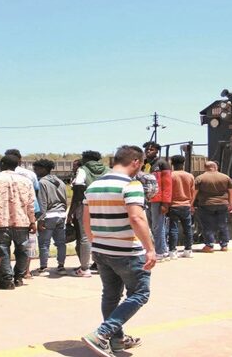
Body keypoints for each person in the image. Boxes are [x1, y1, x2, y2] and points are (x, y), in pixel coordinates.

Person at [81, 145, 156, 357]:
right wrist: (150, 249)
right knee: (140, 293)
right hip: (128, 251)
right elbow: (136, 218)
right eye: (141, 165)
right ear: (135, 162)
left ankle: (116, 341)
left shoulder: (94, 186)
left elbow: (87, 221)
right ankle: (102, 334)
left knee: (111, 295)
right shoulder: (131, 184)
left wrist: (97, 241)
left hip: (101, 250)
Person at [0, 155, 36, 289]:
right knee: (22, 250)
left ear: (2, 164)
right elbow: (31, 204)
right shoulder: (26, 181)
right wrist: (32, 221)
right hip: (21, 221)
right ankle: (19, 277)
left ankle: (7, 280)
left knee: (2, 251)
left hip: (1, 221)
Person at [67, 151, 110, 277]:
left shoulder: (83, 169)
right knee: (102, 235)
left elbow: (79, 184)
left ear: (86, 159)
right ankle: (101, 265)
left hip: (87, 204)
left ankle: (85, 268)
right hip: (106, 205)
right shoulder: (108, 170)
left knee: (85, 236)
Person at [5, 149, 40, 279]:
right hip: (24, 216)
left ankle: (7, 276)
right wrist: (33, 218)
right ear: (20, 160)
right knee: (24, 247)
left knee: (4, 249)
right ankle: (24, 272)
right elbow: (35, 196)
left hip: (5, 217)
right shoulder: (29, 175)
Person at [32, 159, 68, 275]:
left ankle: (43, 268)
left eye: (36, 169)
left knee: (44, 243)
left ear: (44, 169)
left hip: (48, 215)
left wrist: (41, 219)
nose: (35, 171)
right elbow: (65, 199)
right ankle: (61, 266)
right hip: (61, 214)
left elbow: (42, 202)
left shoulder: (42, 182)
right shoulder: (60, 182)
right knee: (61, 243)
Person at [192, 161, 232, 252]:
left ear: (205, 168)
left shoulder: (200, 178)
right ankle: (224, 245)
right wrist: (230, 203)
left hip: (206, 204)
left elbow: (194, 192)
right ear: (216, 167)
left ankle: (209, 245)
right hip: (222, 204)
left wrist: (191, 204)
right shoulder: (225, 177)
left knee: (207, 225)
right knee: (222, 224)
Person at [142, 141, 172, 262]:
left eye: (151, 149)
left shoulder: (162, 163)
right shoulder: (145, 165)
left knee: (157, 226)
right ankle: (162, 250)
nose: (148, 151)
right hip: (147, 199)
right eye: (147, 149)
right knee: (152, 226)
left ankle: (160, 252)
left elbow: (168, 185)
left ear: (157, 151)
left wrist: (165, 203)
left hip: (158, 200)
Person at [167, 155, 195, 259]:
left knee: (173, 229)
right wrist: (191, 204)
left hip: (173, 205)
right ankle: (188, 250)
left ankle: (172, 251)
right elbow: (193, 192)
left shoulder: (170, 175)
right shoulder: (190, 176)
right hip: (186, 205)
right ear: (183, 163)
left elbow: (167, 192)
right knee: (188, 228)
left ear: (172, 163)